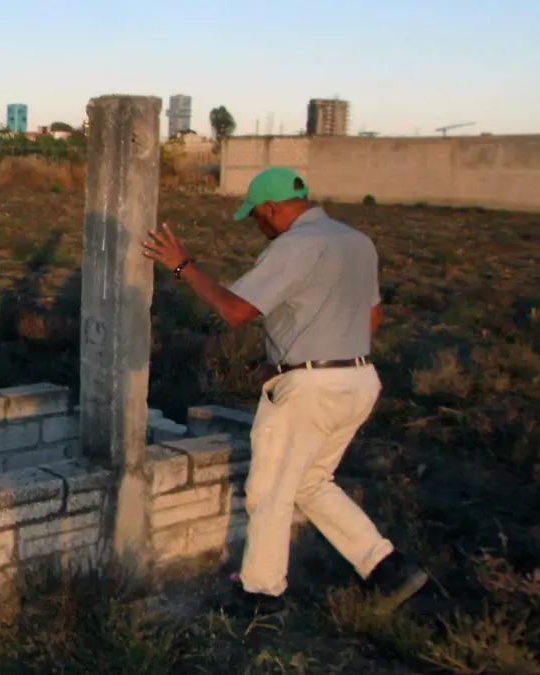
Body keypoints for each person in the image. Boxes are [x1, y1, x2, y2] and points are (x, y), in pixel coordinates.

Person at [142, 166, 428, 616]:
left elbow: (235, 311)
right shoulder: (357, 242)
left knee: (269, 490)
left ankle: (260, 594)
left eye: (256, 217)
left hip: (311, 385)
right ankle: (388, 568)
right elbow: (372, 318)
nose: (258, 227)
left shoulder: (294, 247)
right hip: (358, 379)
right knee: (312, 482)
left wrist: (182, 264)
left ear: (273, 209)